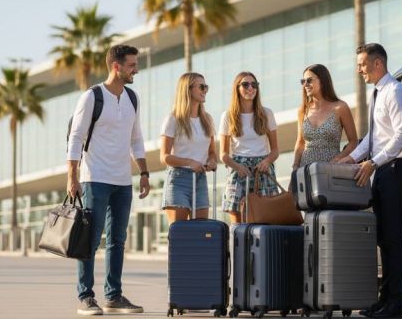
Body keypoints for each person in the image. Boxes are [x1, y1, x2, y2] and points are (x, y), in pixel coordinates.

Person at [67, 44, 150, 316]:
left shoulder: (132, 98)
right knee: (89, 238)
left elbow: (136, 138)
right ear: (116, 66)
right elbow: (76, 138)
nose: (136, 69)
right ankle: (86, 296)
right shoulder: (92, 97)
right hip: (95, 179)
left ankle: (113, 296)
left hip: (123, 181)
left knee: (117, 240)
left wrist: (144, 172)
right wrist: (73, 176)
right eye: (131, 65)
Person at [338, 43, 402, 318]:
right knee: (383, 237)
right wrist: (353, 158)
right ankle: (386, 299)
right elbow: (374, 137)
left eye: (362, 64)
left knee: (393, 237)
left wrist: (372, 162)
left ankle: (398, 303)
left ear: (378, 64)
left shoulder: (396, 93)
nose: (359, 70)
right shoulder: (378, 94)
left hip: (397, 168)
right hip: (384, 169)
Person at [219, 72, 279, 224]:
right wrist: (237, 167)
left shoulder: (266, 113)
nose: (250, 88)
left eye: (254, 85)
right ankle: (238, 248)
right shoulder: (228, 116)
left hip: (262, 168)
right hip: (239, 168)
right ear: (237, 88)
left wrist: (267, 162)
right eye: (245, 84)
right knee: (237, 219)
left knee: (266, 216)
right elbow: (223, 154)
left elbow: (275, 150)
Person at [159, 72, 217, 224]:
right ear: (188, 89)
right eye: (202, 87)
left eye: (206, 87)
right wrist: (190, 162)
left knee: (201, 232)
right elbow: (164, 157)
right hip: (178, 180)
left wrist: (212, 161)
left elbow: (212, 152)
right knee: (179, 234)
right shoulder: (173, 119)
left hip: (200, 179)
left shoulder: (208, 119)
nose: (205, 90)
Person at [292, 64, 357, 169]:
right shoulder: (302, 111)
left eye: (309, 80)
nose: (305, 85)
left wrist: (338, 159)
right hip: (305, 171)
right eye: (303, 81)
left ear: (322, 81)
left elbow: (353, 142)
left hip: (331, 170)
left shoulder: (340, 107)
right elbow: (300, 143)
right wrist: (295, 167)